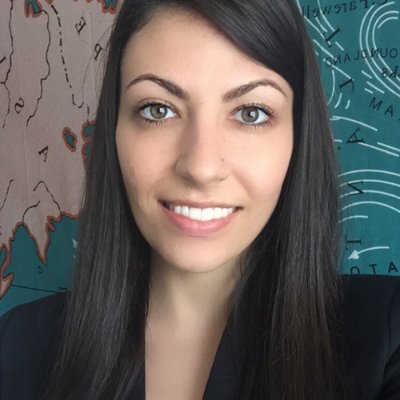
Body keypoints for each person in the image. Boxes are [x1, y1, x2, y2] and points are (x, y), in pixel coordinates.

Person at [1, 0, 400, 399]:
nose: (201, 167)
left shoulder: (385, 340)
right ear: (115, 131)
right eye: (158, 109)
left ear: (298, 137)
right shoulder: (16, 346)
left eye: (251, 113)